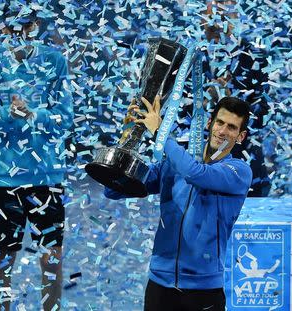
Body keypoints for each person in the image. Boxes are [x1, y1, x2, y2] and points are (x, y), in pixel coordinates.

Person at [105, 96, 252, 311]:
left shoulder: (238, 172)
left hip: (203, 291)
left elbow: (196, 173)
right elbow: (114, 190)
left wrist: (160, 131)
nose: (222, 131)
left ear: (240, 136)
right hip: (159, 285)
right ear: (209, 122)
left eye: (231, 127)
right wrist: (129, 140)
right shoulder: (173, 163)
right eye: (220, 122)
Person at [0, 3, 73, 310]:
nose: (18, 34)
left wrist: (32, 113)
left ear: (34, 26)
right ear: (2, 29)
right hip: (3, 180)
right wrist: (10, 112)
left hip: (48, 177)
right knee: (2, 265)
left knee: (51, 263)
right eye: (11, 28)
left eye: (25, 27)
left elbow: (66, 117)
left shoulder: (55, 61)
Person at [201, 0, 271, 197]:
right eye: (213, 5)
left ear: (236, 11)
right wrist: (206, 101)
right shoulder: (190, 57)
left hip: (245, 175)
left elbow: (264, 115)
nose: (218, 12)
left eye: (224, 4)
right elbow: (173, 114)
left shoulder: (254, 58)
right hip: (197, 173)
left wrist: (233, 102)